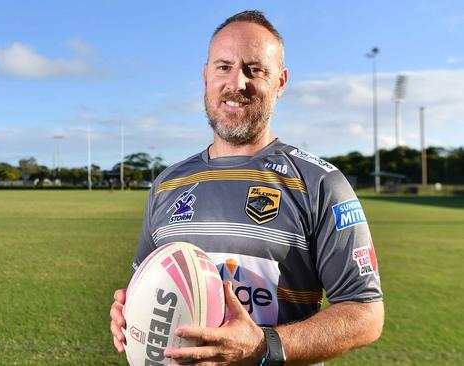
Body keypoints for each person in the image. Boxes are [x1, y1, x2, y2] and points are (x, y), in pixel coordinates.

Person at [109, 10, 384, 366]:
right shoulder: (167, 184)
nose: (236, 83)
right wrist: (128, 312)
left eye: (255, 69)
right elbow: (147, 286)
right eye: (223, 67)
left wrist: (263, 346)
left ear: (281, 82)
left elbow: (365, 314)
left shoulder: (320, 183)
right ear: (205, 75)